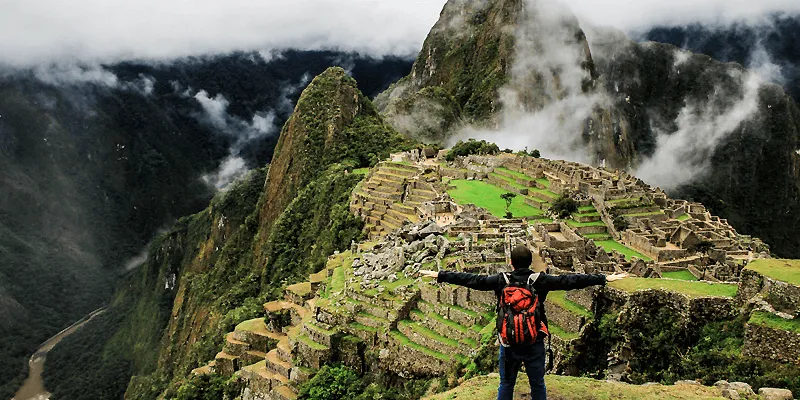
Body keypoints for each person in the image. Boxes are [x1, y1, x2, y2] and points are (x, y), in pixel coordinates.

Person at [419, 245, 629, 400]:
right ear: (530, 262)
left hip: (508, 342)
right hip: (534, 340)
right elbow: (570, 280)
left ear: (511, 263)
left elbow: (473, 280)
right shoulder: (541, 280)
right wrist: (603, 278)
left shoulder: (501, 280)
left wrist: (440, 275)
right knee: (537, 383)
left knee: (506, 383)